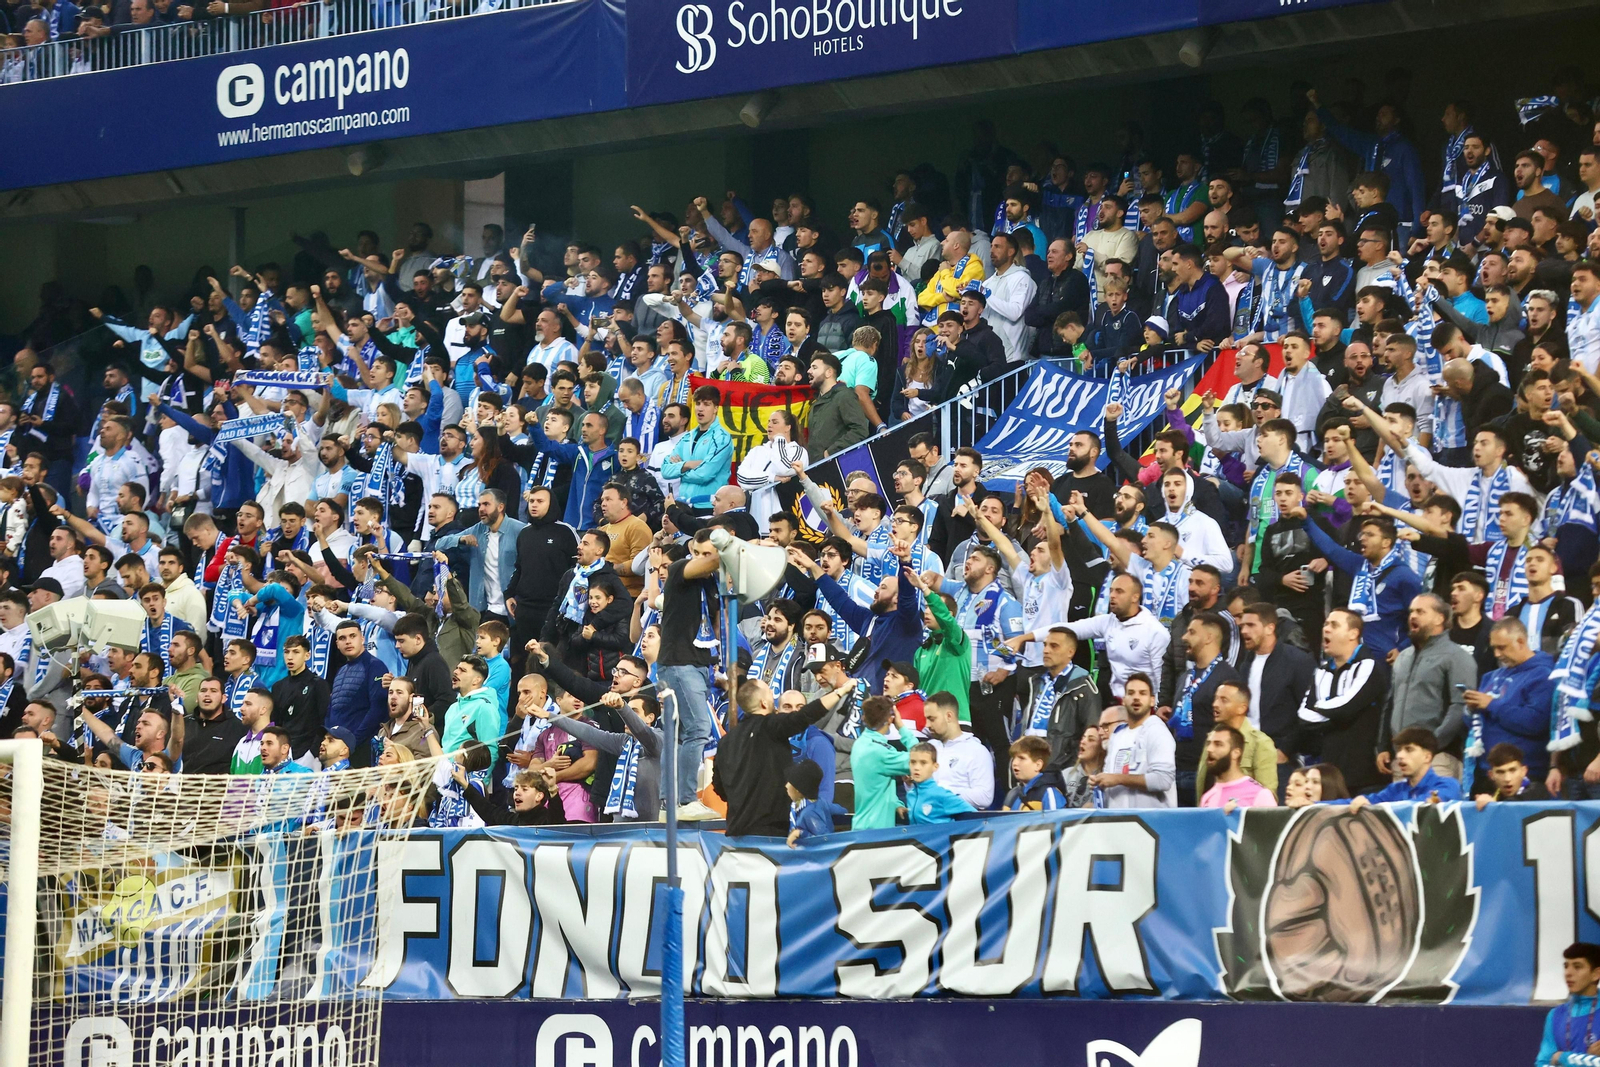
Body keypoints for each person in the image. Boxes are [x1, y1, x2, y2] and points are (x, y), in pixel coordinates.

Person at [714, 675, 860, 837]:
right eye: (770, 694)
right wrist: (841, 692)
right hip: (770, 835)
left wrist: (742, 799)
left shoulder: (725, 742)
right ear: (764, 703)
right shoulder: (771, 727)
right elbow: (805, 716)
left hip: (735, 835)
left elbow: (719, 787)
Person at [1301, 609, 1390, 796]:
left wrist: (1320, 706)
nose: (1326, 629)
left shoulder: (1369, 666)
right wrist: (1338, 715)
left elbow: (1345, 707)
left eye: (1334, 625)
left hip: (1366, 778)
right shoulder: (1321, 672)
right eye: (1325, 624)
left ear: (1353, 633)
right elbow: (1303, 716)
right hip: (1329, 776)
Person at [1462, 616, 1556, 788]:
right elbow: (1474, 724)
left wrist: (1491, 704)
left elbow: (1535, 723)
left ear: (1520, 641)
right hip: (1486, 772)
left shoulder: (1543, 675)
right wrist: (1470, 710)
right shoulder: (1491, 676)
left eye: (1502, 647)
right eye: (1494, 648)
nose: (1497, 654)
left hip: (1525, 775)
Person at [1091, 672, 1176, 808]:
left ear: (1152, 700)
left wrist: (1118, 779)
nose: (1136, 697)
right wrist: (1100, 780)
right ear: (1124, 700)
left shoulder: (1157, 731)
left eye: (1142, 693)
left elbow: (1163, 780)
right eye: (1131, 693)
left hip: (1151, 823)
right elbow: (1110, 778)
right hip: (1119, 822)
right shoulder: (1117, 736)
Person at [1348, 726, 1464, 807]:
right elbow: (1369, 801)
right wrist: (1331, 804)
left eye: (1409, 750)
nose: (1399, 755)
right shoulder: (1396, 789)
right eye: (1399, 750)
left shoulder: (1447, 785)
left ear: (1427, 757)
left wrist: (1385, 807)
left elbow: (1422, 807)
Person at [850, 695, 917, 830]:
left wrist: (895, 803)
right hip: (876, 831)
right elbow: (920, 757)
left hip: (862, 826)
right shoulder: (881, 753)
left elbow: (878, 783)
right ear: (890, 719)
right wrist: (901, 727)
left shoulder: (860, 744)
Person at [921, 690, 992, 809]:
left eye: (932, 719)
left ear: (949, 716)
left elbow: (985, 797)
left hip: (961, 824)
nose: (927, 725)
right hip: (928, 821)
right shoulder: (929, 747)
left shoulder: (976, 751)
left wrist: (942, 794)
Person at [1534, 942, 1600, 1067]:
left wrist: (1561, 1057)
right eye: (1566, 966)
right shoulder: (1556, 1015)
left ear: (1596, 974)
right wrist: (1589, 1061)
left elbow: (1555, 1059)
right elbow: (1542, 1063)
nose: (1568, 973)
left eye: (1577, 967)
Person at [1199, 725, 1278, 811]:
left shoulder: (1260, 794)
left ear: (1236, 753)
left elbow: (1273, 824)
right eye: (1208, 743)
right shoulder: (1207, 797)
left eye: (1218, 744)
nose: (1209, 749)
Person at [900, 742, 976, 824]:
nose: (917, 767)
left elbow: (978, 817)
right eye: (913, 762)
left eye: (923, 763)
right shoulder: (911, 794)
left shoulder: (941, 795)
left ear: (935, 767)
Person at [1472, 743, 1553, 808]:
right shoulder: (1488, 792)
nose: (1507, 779)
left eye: (1512, 770)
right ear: (1491, 775)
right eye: (1500, 772)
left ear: (1523, 771)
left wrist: (1492, 807)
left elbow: (1516, 804)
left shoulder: (1537, 791)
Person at [784, 759, 843, 845]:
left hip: (808, 856)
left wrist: (800, 833)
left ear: (798, 789)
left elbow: (824, 839)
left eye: (790, 783)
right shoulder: (818, 802)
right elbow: (841, 810)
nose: (786, 786)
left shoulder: (809, 813)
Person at [1004, 735, 1066, 810]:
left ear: (1038, 765)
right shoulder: (1012, 794)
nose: (1014, 763)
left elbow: (1057, 820)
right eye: (1014, 758)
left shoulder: (1048, 793)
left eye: (1021, 758)